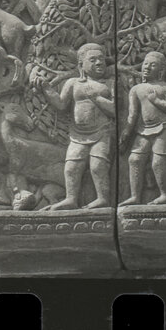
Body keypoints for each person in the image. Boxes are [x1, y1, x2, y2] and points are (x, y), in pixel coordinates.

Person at [44, 44, 115, 210]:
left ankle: (103, 198)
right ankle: (71, 199)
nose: (99, 63)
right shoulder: (73, 83)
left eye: (101, 59)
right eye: (93, 60)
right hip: (77, 134)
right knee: (71, 167)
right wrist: (47, 89)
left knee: (98, 166)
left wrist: (95, 98)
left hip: (102, 131)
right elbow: (61, 105)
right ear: (81, 65)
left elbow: (113, 109)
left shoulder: (109, 83)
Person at [120, 51, 166, 205]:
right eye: (145, 64)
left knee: (158, 162)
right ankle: (134, 196)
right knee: (134, 159)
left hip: (165, 128)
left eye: (152, 65)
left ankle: (165, 194)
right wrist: (127, 131)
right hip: (143, 129)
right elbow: (132, 114)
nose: (147, 67)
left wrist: (157, 101)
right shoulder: (137, 89)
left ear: (161, 71)